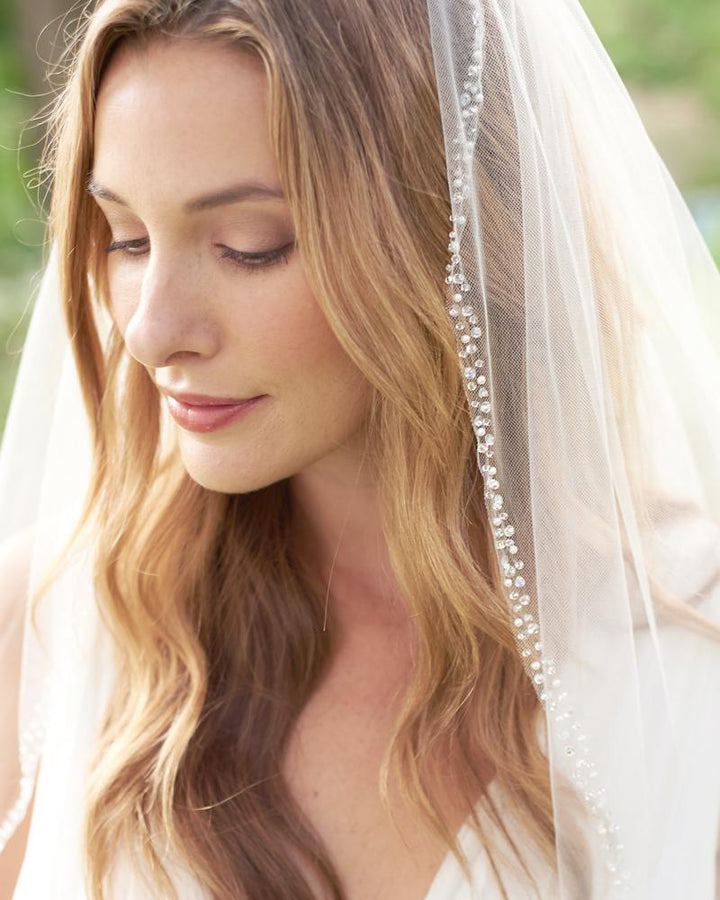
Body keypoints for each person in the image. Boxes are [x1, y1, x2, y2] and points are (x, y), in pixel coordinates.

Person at [1, 0, 719, 898]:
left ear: (441, 234)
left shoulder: (689, 655)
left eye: (247, 246)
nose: (150, 332)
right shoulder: (40, 634)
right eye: (127, 239)